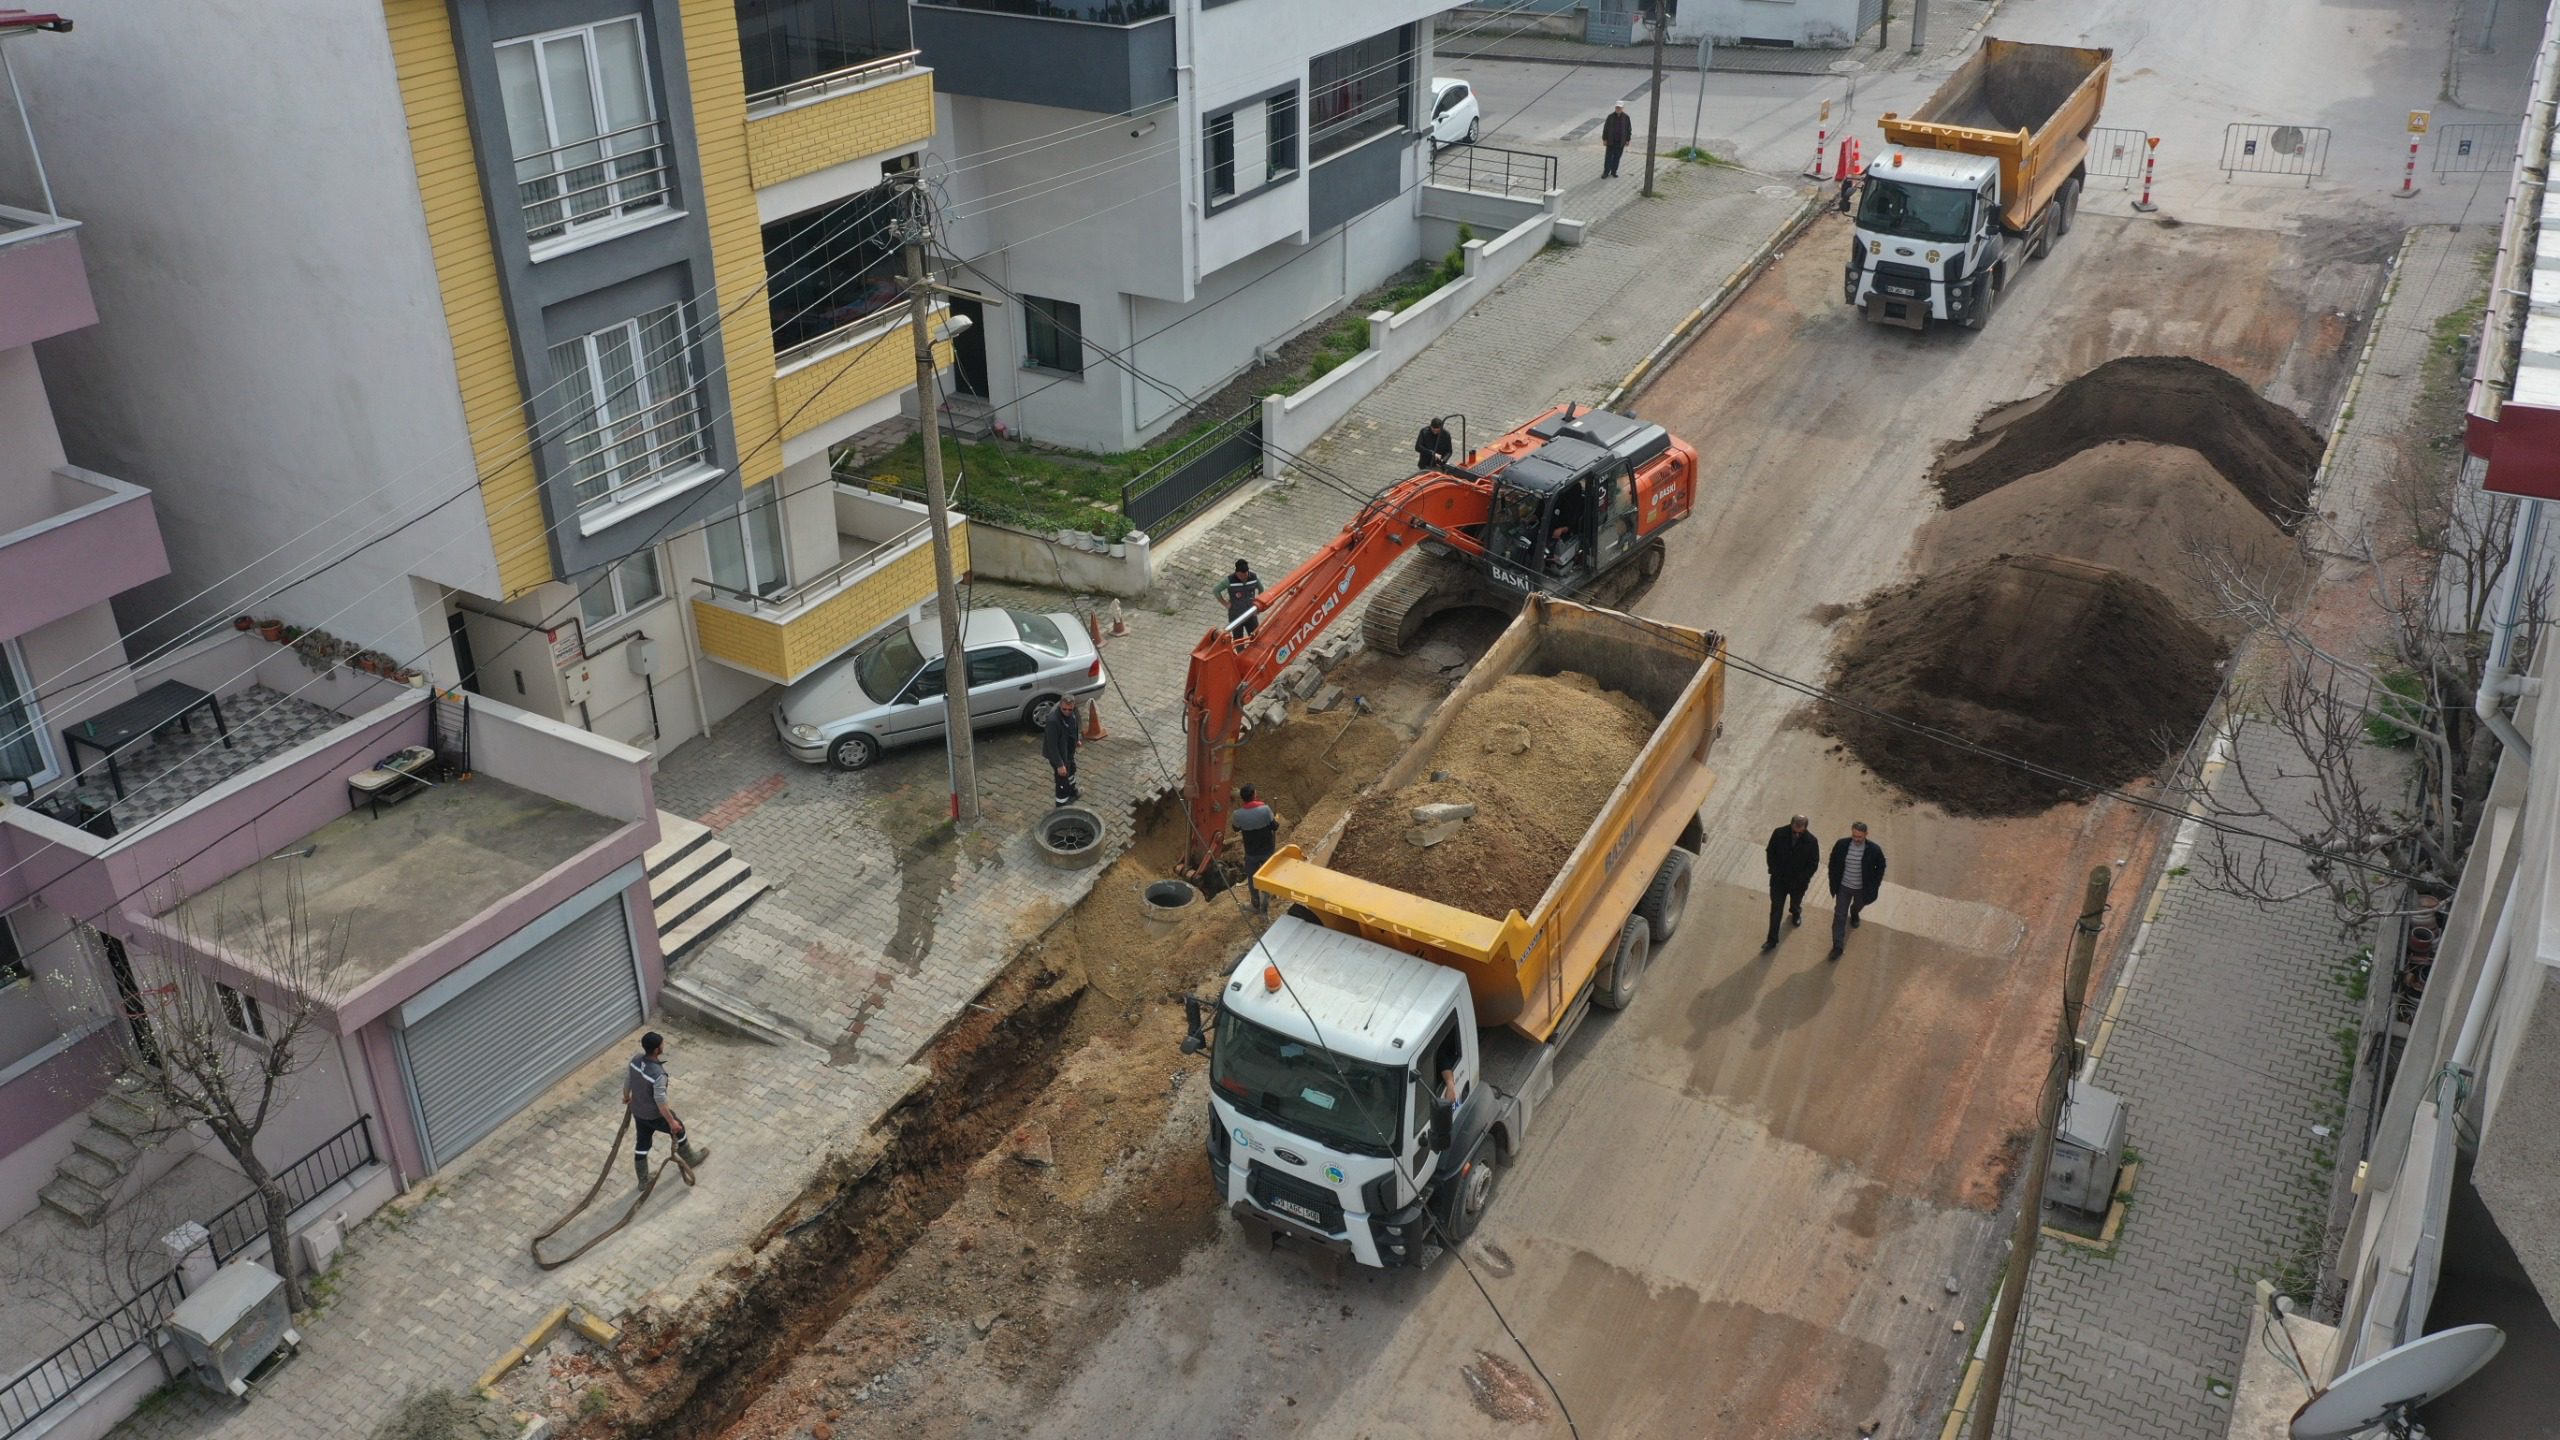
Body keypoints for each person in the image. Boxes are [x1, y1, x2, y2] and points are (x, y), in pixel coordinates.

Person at [624, 1031, 705, 1186]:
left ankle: (643, 1181)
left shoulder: (635, 1060)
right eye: (662, 1044)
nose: (663, 1045)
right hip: (654, 1115)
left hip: (638, 1112)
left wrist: (626, 1096)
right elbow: (660, 1101)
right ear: (656, 1050)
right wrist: (672, 1122)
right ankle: (690, 1158)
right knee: (679, 1129)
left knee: (642, 1143)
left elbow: (628, 1080)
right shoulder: (658, 1074)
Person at [1826, 822, 1887, 961]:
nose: (1856, 839)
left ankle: (1854, 913)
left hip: (1862, 889)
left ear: (1866, 835)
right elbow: (1833, 861)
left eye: (1859, 836)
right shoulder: (1841, 845)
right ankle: (1837, 947)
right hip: (1843, 887)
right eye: (1854, 835)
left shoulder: (1874, 849)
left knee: (1858, 906)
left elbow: (1881, 866)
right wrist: (1832, 877)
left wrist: (1875, 884)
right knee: (1840, 915)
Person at [1762, 815, 1821, 952]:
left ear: (1805, 829)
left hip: (1798, 884)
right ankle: (1772, 940)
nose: (1796, 834)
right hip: (1779, 881)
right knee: (1776, 910)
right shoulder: (1779, 833)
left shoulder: (1811, 841)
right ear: (1791, 825)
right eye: (1794, 831)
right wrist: (1773, 870)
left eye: (1800, 832)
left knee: (1795, 902)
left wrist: (1802, 879)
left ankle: (1796, 912)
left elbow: (1813, 864)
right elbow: (1770, 852)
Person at [1233, 783, 1280, 914]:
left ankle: (1256, 905)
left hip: (1251, 852)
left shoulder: (1238, 814)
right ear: (1254, 795)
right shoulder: (1265, 810)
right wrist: (1275, 819)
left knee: (1252, 879)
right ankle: (1267, 904)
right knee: (1265, 878)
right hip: (1267, 850)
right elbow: (1275, 827)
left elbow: (1236, 828)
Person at [1044, 695, 1082, 805]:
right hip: (1059, 755)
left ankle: (1072, 792)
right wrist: (1060, 765)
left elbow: (1076, 723)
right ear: (1060, 705)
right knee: (1062, 781)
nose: (1067, 712)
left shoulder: (1073, 711)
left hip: (1068, 752)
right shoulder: (1053, 721)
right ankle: (1061, 804)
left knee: (1071, 771)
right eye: (1064, 709)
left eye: (1070, 709)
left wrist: (1076, 739)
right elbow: (1052, 745)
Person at [1215, 558, 1263, 639]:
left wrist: (1258, 606)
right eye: (1241, 575)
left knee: (1256, 638)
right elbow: (1216, 591)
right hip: (1235, 616)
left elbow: (1261, 589)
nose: (1243, 578)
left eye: (1245, 575)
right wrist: (1226, 604)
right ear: (1236, 572)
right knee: (1238, 639)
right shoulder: (1229, 581)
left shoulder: (1254, 578)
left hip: (1250, 614)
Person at [1601, 102, 1634, 179]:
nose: (1618, 109)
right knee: (1608, 157)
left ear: (1622, 108)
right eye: (1617, 108)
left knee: (1617, 157)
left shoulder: (1626, 117)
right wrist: (1604, 139)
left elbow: (1628, 129)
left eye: (1619, 108)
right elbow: (1605, 128)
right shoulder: (1610, 117)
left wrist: (1627, 140)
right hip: (1611, 141)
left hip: (1620, 141)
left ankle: (1614, 171)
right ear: (1615, 108)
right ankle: (1606, 172)